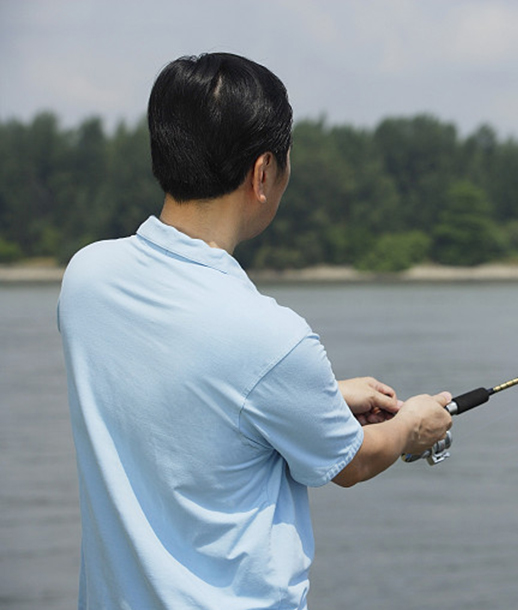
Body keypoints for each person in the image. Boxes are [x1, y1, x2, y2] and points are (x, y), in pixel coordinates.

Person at [57, 52, 453, 609]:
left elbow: (173, 388)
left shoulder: (86, 278)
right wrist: (413, 422)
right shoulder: (272, 337)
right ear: (263, 173)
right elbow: (353, 462)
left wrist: (322, 397)